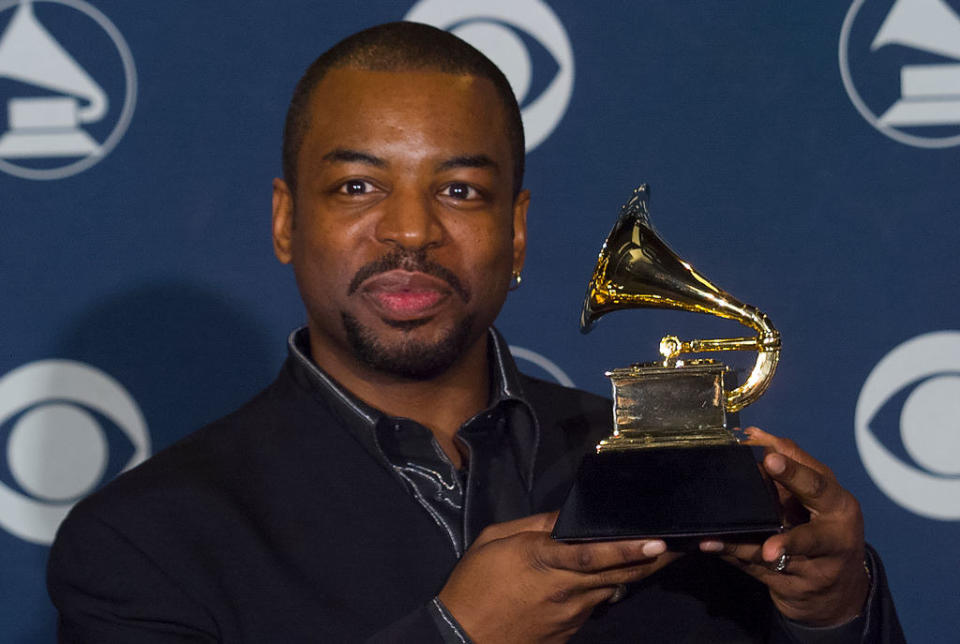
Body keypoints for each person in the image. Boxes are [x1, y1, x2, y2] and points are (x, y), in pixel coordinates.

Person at [47, 22, 905, 643]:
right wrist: (453, 636)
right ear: (284, 221)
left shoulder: (679, 477)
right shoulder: (144, 539)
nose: (411, 231)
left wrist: (835, 611)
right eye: (356, 188)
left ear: (518, 230)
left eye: (460, 190)